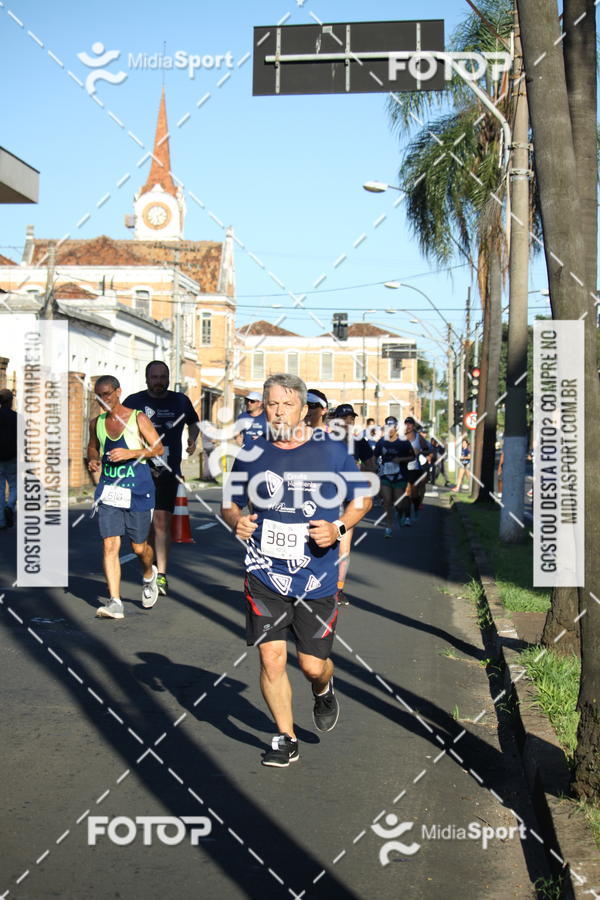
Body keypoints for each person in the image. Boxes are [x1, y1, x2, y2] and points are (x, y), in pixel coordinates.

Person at [221, 373, 373, 767]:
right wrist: (236, 521)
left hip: (317, 576)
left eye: (288, 404)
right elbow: (229, 503)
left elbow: (362, 499)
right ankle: (285, 738)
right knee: (271, 659)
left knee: (310, 665)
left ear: (304, 411)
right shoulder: (252, 452)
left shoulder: (332, 452)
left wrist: (338, 528)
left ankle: (324, 688)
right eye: (272, 403)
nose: (278, 411)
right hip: (263, 571)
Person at [87, 375, 164, 619]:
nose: (103, 400)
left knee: (139, 547)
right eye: (98, 396)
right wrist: (92, 458)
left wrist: (131, 453)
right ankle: (115, 602)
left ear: (118, 391)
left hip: (138, 490)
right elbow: (92, 446)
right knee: (110, 545)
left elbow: (158, 448)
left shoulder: (137, 417)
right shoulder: (96, 423)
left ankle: (149, 574)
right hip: (110, 491)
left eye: (107, 394)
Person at [124, 361, 200, 597]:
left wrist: (192, 439)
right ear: (146, 379)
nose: (159, 381)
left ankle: (162, 574)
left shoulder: (180, 401)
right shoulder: (134, 402)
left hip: (168, 469)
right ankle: (149, 567)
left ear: (168, 378)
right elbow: (116, 423)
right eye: (154, 377)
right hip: (139, 470)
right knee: (144, 525)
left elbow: (194, 422)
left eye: (163, 376)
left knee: (161, 523)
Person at [330, 404, 376, 605]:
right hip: (326, 499)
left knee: (344, 546)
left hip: (350, 501)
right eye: (345, 418)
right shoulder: (324, 440)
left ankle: (338, 589)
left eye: (351, 418)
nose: (348, 422)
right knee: (320, 542)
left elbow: (372, 465)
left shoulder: (359, 442)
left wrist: (362, 476)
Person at [374, 416, 415, 534]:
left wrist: (401, 459)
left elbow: (413, 457)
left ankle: (401, 513)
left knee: (399, 503)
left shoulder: (403, 442)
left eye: (392, 427)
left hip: (400, 476)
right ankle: (388, 526)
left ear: (396, 428)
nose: (389, 430)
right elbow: (375, 456)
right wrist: (376, 465)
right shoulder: (381, 442)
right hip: (385, 475)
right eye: (387, 427)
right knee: (387, 500)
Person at [403, 417, 433, 517]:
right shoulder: (401, 437)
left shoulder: (418, 437)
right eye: (406, 424)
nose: (408, 426)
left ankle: (416, 505)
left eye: (410, 424)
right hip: (404, 467)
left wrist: (420, 452)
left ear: (413, 425)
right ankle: (406, 513)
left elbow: (428, 450)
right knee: (407, 490)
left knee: (415, 490)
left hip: (415, 467)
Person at [0, 389, 17, 530]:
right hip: (12, 457)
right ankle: (10, 506)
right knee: (14, 485)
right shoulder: (17, 418)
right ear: (11, 401)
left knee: (0, 489)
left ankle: (1, 520)